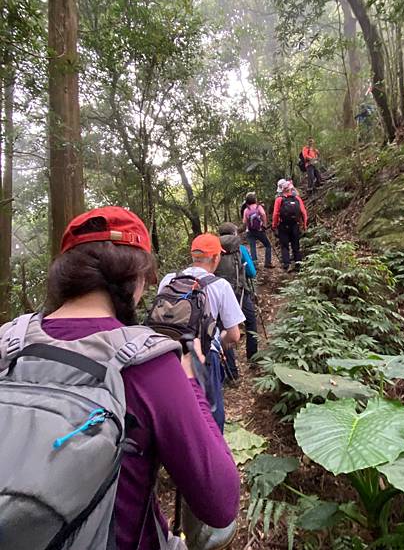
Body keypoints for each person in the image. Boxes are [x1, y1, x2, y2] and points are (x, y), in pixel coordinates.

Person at [0, 207, 240, 550]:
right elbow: (220, 503)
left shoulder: (8, 342)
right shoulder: (148, 363)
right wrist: (188, 381)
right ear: (136, 276)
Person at [157, 232, 245, 432]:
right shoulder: (219, 285)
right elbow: (234, 335)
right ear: (215, 258)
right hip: (204, 356)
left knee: (178, 412)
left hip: (169, 355)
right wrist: (218, 343)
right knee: (211, 415)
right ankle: (212, 455)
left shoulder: (169, 279)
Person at [216, 222, 258, 371]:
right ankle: (253, 360)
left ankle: (232, 372)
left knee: (224, 329)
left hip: (220, 295)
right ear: (234, 233)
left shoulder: (214, 251)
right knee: (251, 323)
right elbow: (252, 273)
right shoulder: (240, 249)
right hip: (240, 293)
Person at [272, 181, 308, 271]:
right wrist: (304, 225)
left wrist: (274, 225)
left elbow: (276, 214)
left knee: (284, 245)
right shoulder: (297, 198)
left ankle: (286, 264)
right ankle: (298, 264)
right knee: (296, 245)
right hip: (295, 225)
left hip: (283, 225)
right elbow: (303, 212)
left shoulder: (279, 199)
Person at [242, 192, 274, 269]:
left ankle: (255, 264)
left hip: (250, 231)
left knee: (252, 247)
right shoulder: (258, 207)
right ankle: (268, 263)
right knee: (268, 245)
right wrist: (264, 225)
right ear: (255, 199)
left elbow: (244, 221)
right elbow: (263, 214)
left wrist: (247, 227)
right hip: (259, 230)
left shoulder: (246, 210)